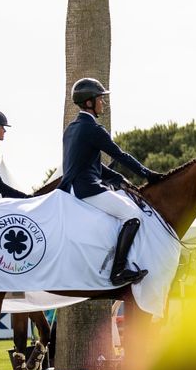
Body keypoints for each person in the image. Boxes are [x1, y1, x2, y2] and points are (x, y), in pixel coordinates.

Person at [62, 78, 158, 287]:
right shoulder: (94, 129)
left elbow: (90, 164)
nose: (103, 103)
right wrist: (147, 174)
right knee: (133, 214)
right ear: (89, 102)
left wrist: (120, 179)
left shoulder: (71, 128)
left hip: (73, 188)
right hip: (88, 190)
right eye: (100, 99)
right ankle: (118, 271)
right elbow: (121, 155)